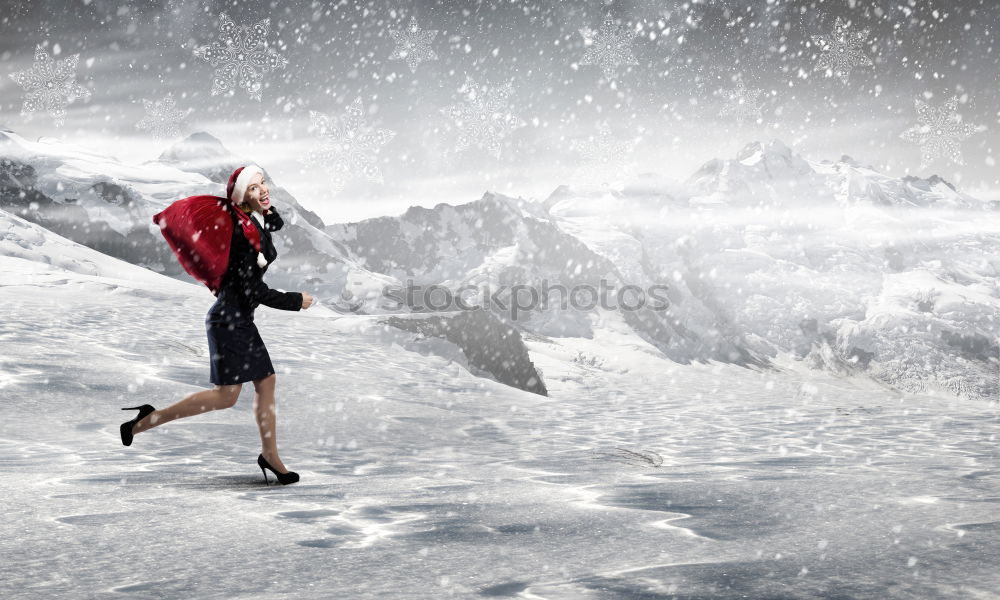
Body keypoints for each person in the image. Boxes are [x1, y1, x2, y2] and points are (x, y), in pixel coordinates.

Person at [120, 165, 314, 486]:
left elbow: (267, 226)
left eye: (263, 183)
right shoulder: (241, 235)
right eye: (253, 188)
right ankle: (148, 419)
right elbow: (255, 290)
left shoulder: (251, 220)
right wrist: (296, 300)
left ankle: (270, 455)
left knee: (264, 383)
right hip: (228, 321)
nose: (263, 190)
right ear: (241, 197)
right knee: (226, 397)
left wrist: (269, 215)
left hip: (239, 318)